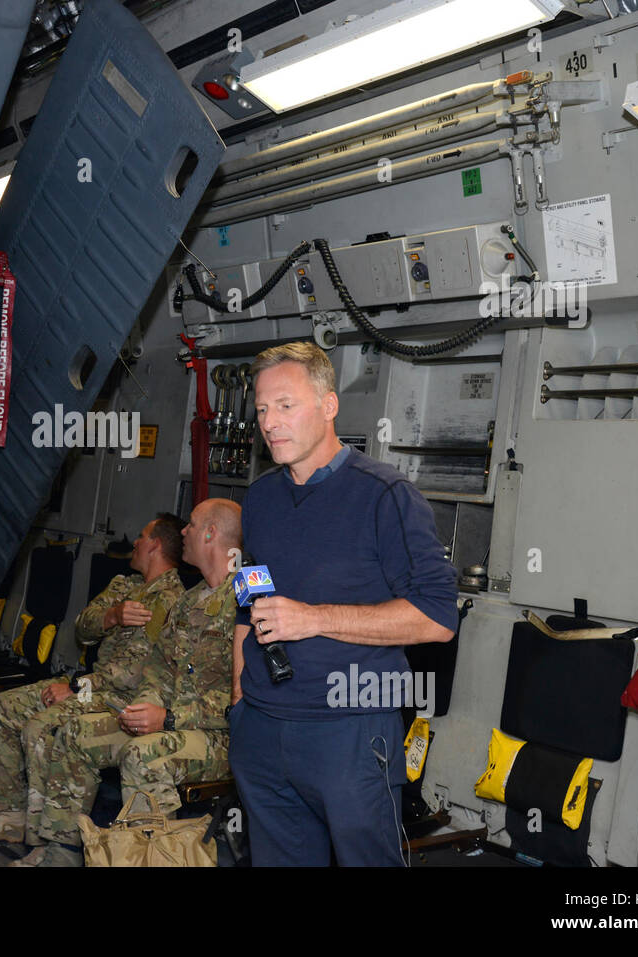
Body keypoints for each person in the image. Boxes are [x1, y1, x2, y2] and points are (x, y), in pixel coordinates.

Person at [230, 342, 458, 867]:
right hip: (262, 728)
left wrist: (313, 619)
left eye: (285, 405)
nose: (270, 422)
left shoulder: (386, 496)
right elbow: (249, 604)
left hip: (348, 730)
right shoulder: (260, 497)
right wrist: (240, 699)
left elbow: (438, 617)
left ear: (329, 405)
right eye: (262, 409)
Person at [21, 498, 241, 867]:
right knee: (76, 733)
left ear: (210, 533)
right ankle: (62, 853)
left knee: (144, 756)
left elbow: (249, 694)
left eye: (190, 524)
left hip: (221, 734)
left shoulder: (248, 596)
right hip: (169, 722)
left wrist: (169, 717)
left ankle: (156, 858)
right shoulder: (189, 601)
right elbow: (156, 668)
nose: (183, 531)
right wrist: (146, 707)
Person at [0, 514, 186, 847]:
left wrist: (78, 688)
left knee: (42, 727)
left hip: (120, 698)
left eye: (141, 536)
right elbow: (82, 628)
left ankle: (42, 838)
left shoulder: (172, 600)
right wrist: (113, 615)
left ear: (154, 544)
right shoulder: (123, 586)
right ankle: (9, 814)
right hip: (92, 684)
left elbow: (132, 675)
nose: (135, 542)